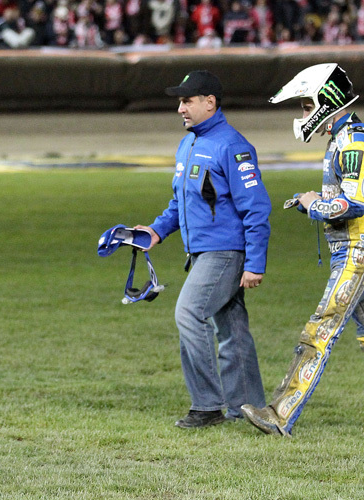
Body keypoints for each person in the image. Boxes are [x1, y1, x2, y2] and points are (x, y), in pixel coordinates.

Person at [242, 63, 364, 437]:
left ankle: (280, 415)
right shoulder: (346, 139)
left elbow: (356, 203)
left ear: (326, 100)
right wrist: (311, 201)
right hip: (359, 246)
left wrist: (313, 204)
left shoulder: (355, 142)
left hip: (357, 248)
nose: (303, 114)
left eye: (306, 105)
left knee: (322, 326)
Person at [134, 70, 272, 428]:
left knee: (188, 313)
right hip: (201, 253)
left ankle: (208, 405)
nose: (180, 108)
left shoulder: (232, 145)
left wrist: (255, 262)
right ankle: (248, 406)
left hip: (225, 252)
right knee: (232, 330)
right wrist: (156, 231)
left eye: (187, 100)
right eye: (180, 101)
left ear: (210, 102)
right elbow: (180, 202)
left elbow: (255, 207)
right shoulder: (189, 143)